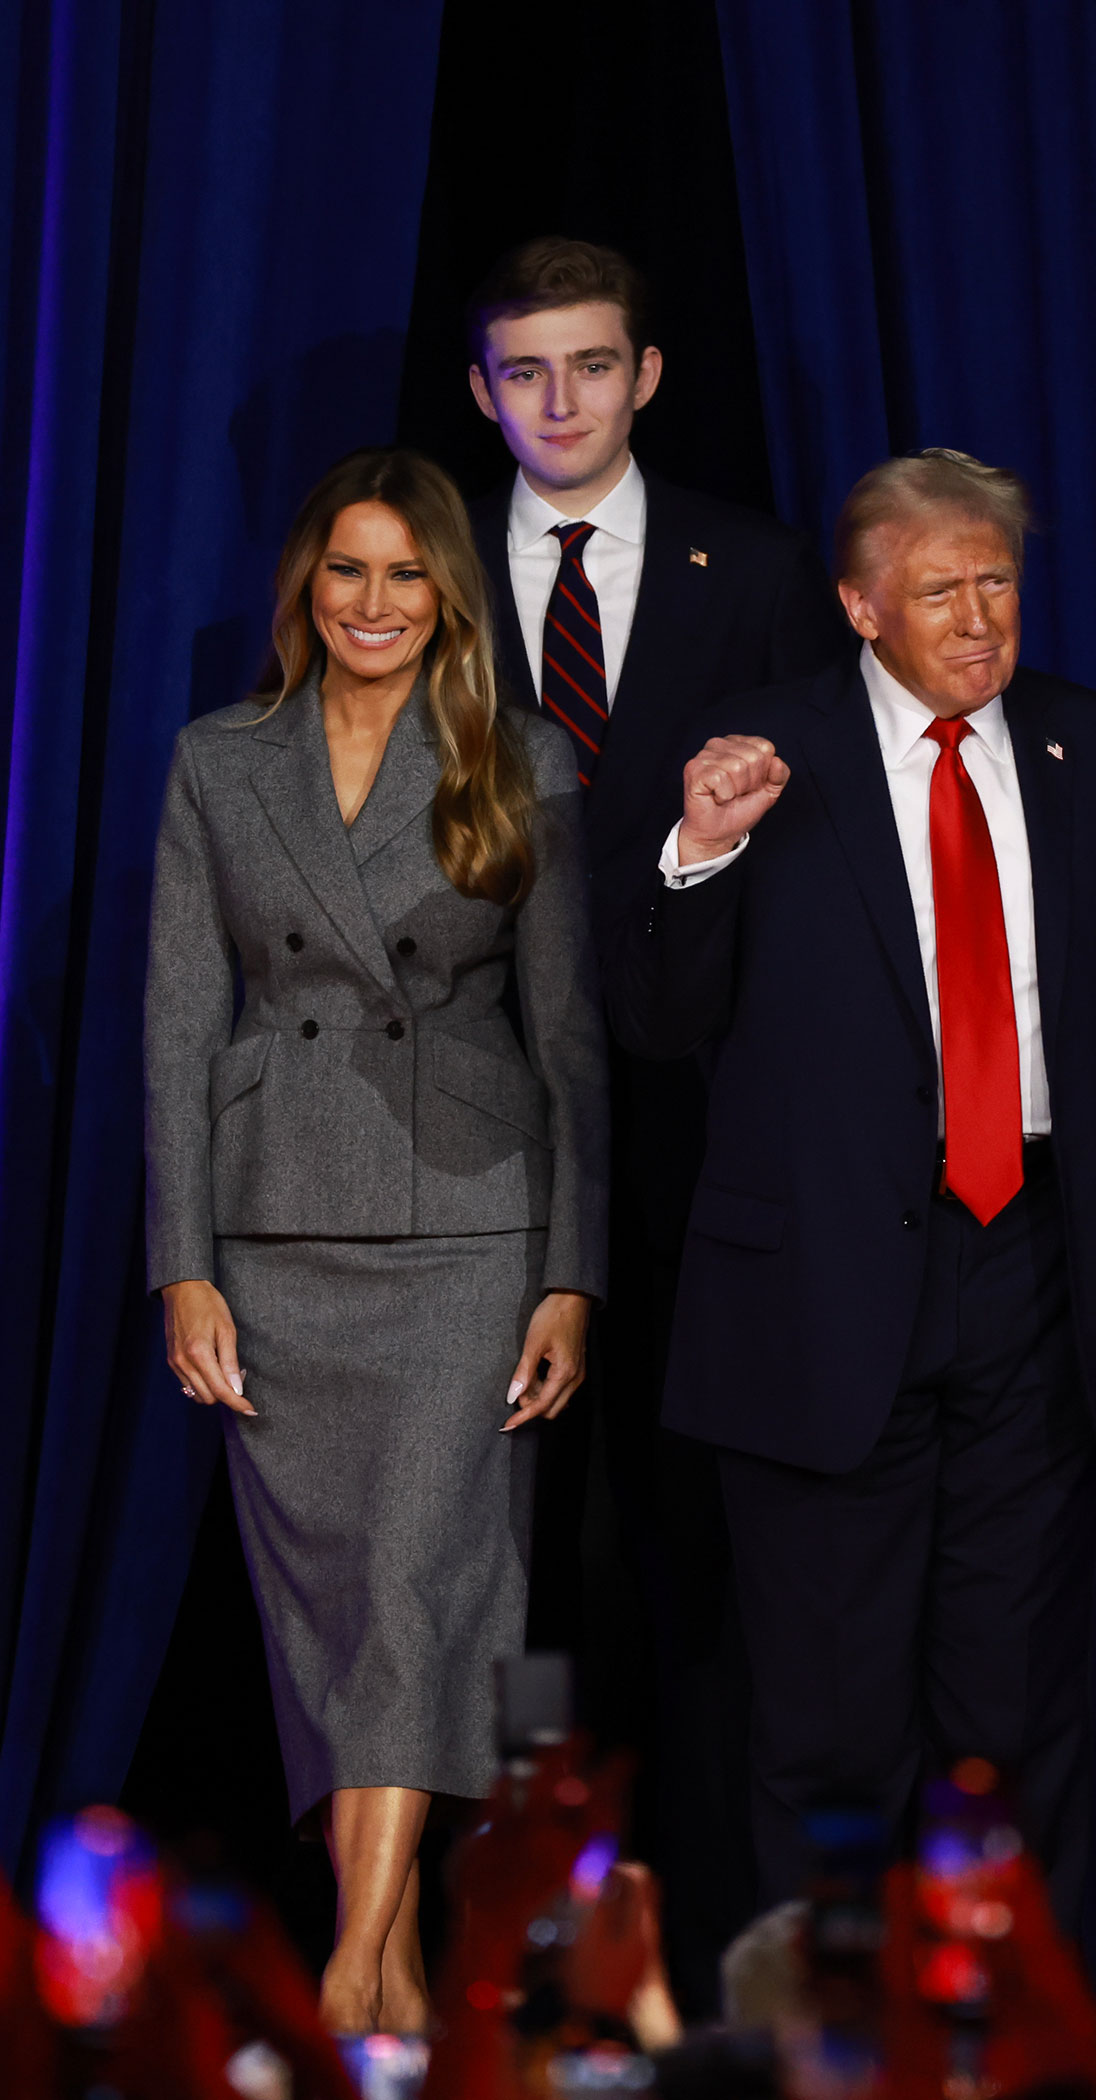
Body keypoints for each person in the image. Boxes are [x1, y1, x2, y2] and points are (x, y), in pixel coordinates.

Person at [604, 448, 1096, 1929]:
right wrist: (700, 852)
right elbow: (655, 1018)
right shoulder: (758, 748)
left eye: (998, 582)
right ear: (859, 605)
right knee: (830, 1734)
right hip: (819, 1300)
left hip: (1039, 1276)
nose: (976, 619)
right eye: (939, 589)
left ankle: (1002, 2045)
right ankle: (830, 2042)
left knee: (1013, 1726)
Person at [144, 448, 608, 2037]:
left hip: (470, 1234)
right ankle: (396, 1979)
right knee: (337, 1617)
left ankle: (347, 1967)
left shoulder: (519, 757)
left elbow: (572, 1044)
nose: (375, 603)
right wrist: (182, 1260)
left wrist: (574, 1274)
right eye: (348, 571)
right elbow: (178, 1025)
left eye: (407, 574)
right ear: (305, 587)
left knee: (424, 1585)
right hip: (275, 1230)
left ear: (448, 597)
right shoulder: (219, 761)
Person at [465, 236, 847, 2004]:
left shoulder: (758, 572)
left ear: (649, 375)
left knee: (694, 1553)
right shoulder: (420, 571)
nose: (561, 403)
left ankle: (706, 1965)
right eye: (527, 373)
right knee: (505, 1559)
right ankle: (528, 1962)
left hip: (701, 1137)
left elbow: (814, 861)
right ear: (484, 392)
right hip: (467, 1134)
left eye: (592, 367)